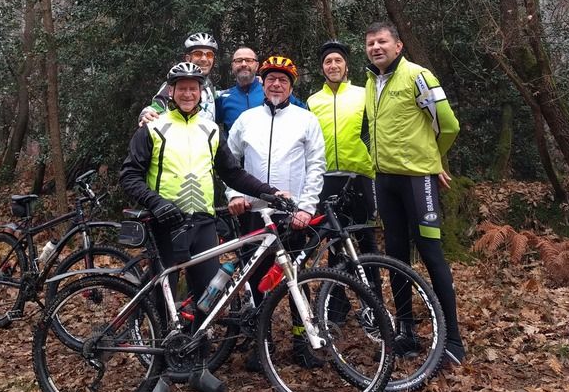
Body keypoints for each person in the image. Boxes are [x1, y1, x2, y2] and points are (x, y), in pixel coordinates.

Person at [120, 61, 279, 326]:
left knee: (208, 296)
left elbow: (233, 173)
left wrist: (269, 192)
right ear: (170, 91)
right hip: (166, 223)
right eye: (181, 88)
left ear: (200, 93)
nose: (187, 94)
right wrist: (155, 203)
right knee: (163, 297)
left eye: (192, 89)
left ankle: (199, 358)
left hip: (204, 223)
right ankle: (159, 362)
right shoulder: (153, 128)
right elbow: (129, 175)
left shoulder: (211, 130)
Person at [363, 21, 465, 367]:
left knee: (432, 254)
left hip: (417, 179)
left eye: (382, 42)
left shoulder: (418, 76)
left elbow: (448, 124)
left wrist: (432, 160)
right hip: (385, 180)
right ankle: (407, 331)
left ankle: (452, 338)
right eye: (370, 43)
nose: (376, 47)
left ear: (398, 46)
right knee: (395, 257)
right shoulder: (370, 81)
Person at [226, 55, 326, 367]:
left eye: (283, 80)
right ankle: (261, 341)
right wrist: (233, 195)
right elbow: (229, 163)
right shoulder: (247, 119)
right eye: (271, 79)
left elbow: (316, 166)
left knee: (296, 277)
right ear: (263, 83)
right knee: (256, 278)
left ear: (291, 86)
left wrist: (307, 207)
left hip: (292, 213)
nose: (276, 84)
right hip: (254, 211)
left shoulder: (305, 119)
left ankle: (301, 341)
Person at [306, 40, 378, 258]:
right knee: (334, 241)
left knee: (367, 238)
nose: (333, 65)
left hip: (360, 175)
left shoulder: (364, 93)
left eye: (338, 60)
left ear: (347, 66)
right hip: (327, 177)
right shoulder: (312, 101)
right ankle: (336, 292)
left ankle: (372, 289)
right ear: (322, 68)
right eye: (328, 62)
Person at [215, 46, 307, 134]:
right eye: (238, 61)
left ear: (257, 65)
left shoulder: (272, 91)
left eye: (249, 60)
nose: (243, 64)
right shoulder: (224, 98)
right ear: (232, 65)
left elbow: (304, 116)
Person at [139, 32, 219, 125]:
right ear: (188, 58)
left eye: (209, 55)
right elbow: (159, 103)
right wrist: (147, 114)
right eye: (198, 54)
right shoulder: (175, 85)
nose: (204, 59)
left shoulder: (208, 84)